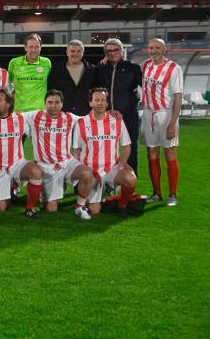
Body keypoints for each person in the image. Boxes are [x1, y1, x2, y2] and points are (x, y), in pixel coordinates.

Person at [24, 90, 94, 219]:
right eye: (50, 102)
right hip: (46, 166)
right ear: (45, 104)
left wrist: (110, 114)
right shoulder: (35, 116)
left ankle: (80, 207)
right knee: (51, 209)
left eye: (57, 102)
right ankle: (41, 194)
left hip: (67, 162)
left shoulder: (70, 117)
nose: (53, 105)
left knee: (87, 174)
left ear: (62, 104)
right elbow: (14, 116)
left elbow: (91, 119)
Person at [0, 89, 44, 219]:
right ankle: (9, 189)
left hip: (17, 164)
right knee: (0, 208)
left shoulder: (21, 118)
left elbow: (43, 113)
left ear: (8, 103)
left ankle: (30, 207)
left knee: (36, 172)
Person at [73, 88, 138, 217]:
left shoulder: (117, 120)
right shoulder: (81, 123)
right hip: (91, 171)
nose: (100, 103)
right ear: (90, 103)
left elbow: (127, 146)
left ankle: (122, 206)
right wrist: (82, 173)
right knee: (95, 210)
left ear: (107, 104)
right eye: (97, 100)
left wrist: (122, 164)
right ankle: (102, 194)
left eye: (103, 100)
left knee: (131, 179)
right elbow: (77, 151)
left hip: (111, 168)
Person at [140, 38, 183, 206]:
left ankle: (173, 195)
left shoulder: (174, 68)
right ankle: (156, 193)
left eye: (157, 48)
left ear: (164, 50)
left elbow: (178, 96)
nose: (153, 51)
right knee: (152, 153)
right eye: (151, 47)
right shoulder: (145, 65)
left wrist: (173, 122)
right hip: (148, 114)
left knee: (170, 153)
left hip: (166, 115)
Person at [96, 38, 143, 173]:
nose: (112, 53)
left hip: (128, 115)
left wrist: (139, 101)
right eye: (109, 51)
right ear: (105, 53)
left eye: (116, 49)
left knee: (131, 148)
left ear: (122, 50)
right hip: (106, 116)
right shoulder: (101, 68)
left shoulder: (133, 68)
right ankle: (107, 182)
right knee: (105, 149)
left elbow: (145, 87)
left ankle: (130, 184)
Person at [47, 39, 96, 116]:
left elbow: (96, 92)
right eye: (72, 51)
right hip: (63, 114)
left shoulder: (92, 70)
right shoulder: (57, 69)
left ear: (83, 53)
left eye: (79, 51)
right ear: (67, 53)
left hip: (86, 114)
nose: (75, 54)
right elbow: (50, 91)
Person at [8, 33, 51, 112]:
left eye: (37, 47)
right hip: (19, 111)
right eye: (31, 47)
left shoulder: (47, 63)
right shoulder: (14, 63)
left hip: (41, 112)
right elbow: (9, 85)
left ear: (40, 48)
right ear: (25, 48)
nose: (34, 50)